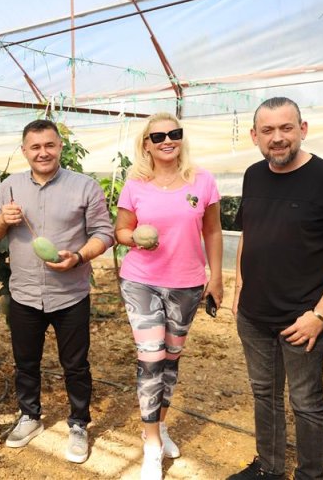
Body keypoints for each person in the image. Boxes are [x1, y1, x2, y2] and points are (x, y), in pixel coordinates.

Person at [229, 97, 323, 480]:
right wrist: (240, 288)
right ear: (255, 136)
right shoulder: (253, 175)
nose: (278, 138)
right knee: (264, 395)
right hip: (254, 316)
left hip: (304, 317)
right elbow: (246, 234)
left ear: (302, 130)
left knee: (305, 401)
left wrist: (320, 315)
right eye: (268, 130)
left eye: (286, 128)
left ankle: (310, 475)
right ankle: (269, 469)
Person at [0, 119, 114, 464]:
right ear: (24, 150)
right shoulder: (9, 187)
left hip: (70, 293)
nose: (43, 152)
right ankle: (30, 417)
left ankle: (78, 423)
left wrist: (79, 257)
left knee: (75, 364)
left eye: (50, 145)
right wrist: (2, 221)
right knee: (26, 363)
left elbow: (105, 232)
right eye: (35, 147)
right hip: (24, 292)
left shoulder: (84, 186)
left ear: (60, 147)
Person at [114, 113, 223, 480]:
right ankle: (150, 446)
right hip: (141, 280)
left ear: (181, 138)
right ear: (146, 143)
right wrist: (137, 237)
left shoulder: (202, 180)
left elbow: (213, 231)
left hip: (187, 283)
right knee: (151, 357)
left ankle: (160, 427)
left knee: (171, 360)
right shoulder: (135, 185)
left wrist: (217, 276)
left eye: (173, 134)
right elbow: (120, 231)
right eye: (157, 135)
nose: (166, 140)